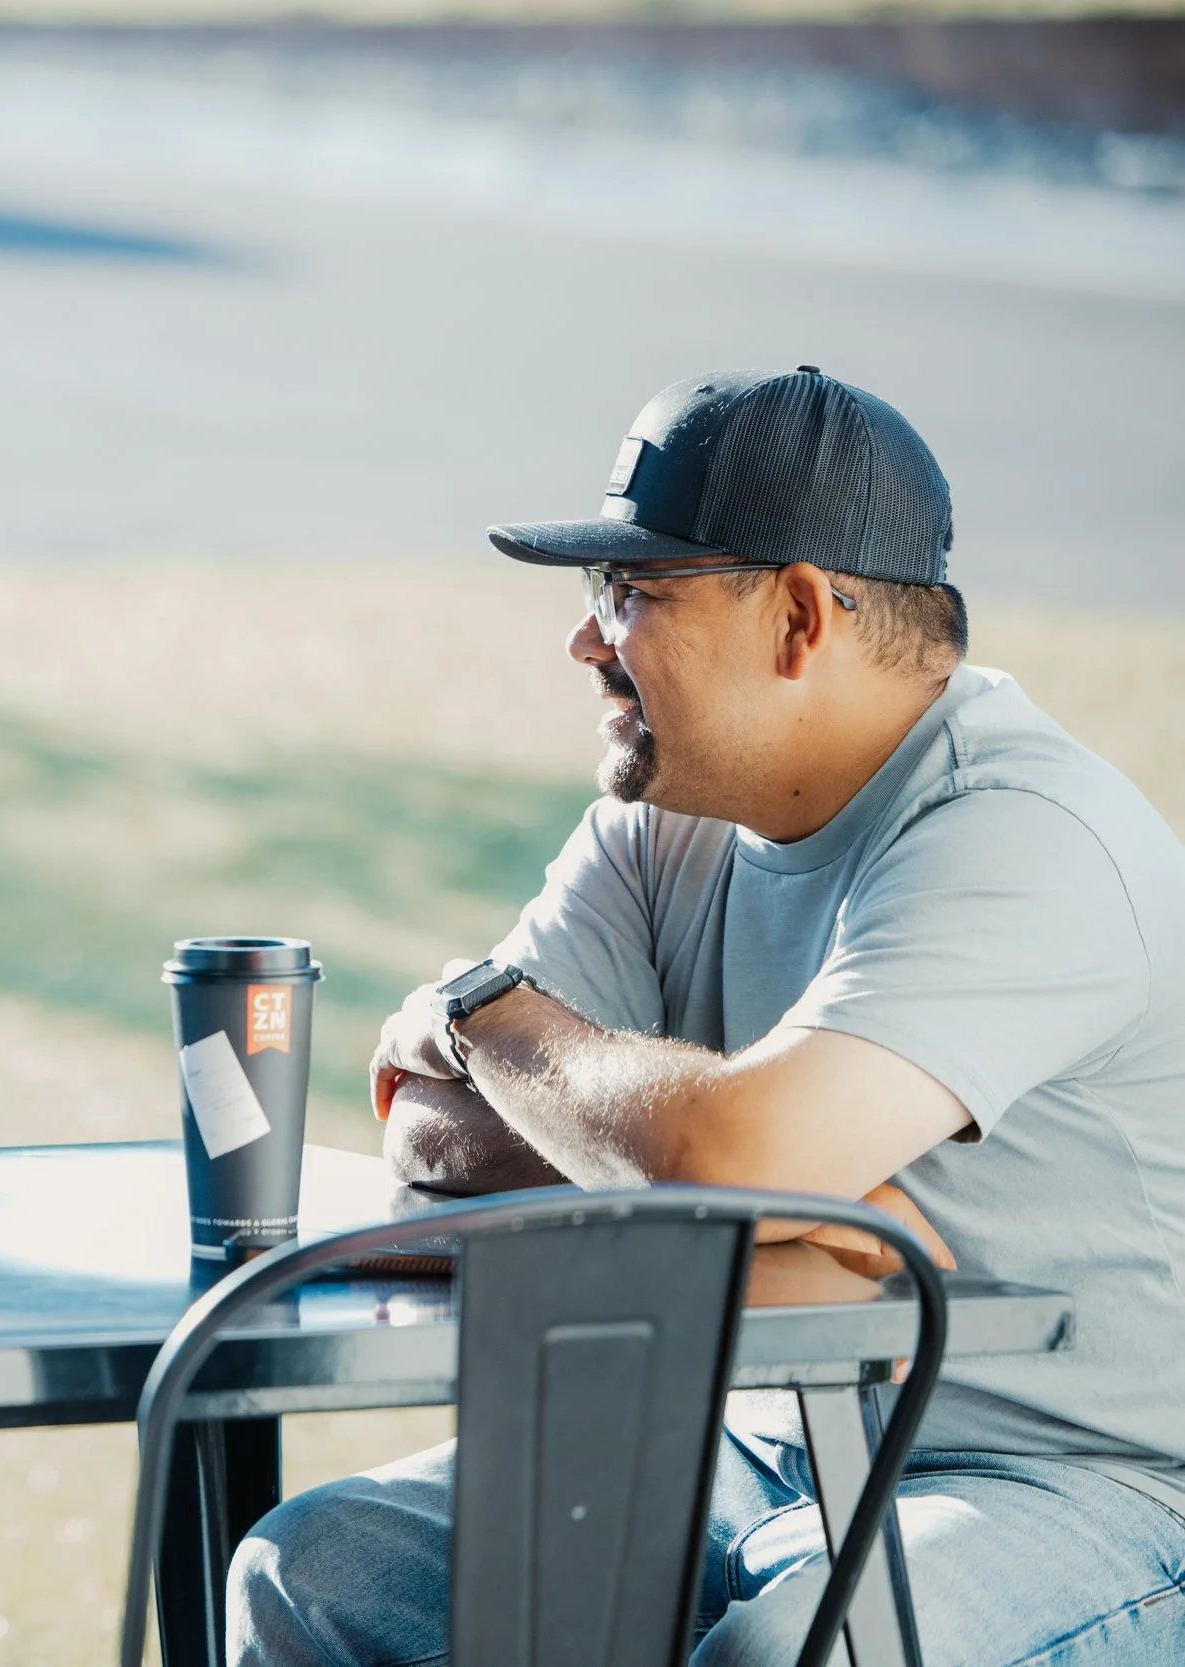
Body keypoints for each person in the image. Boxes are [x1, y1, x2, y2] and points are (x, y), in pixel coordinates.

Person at [230, 367, 1185, 1666]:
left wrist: (485, 1012)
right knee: (316, 1570)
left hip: (1073, 1489)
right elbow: (428, 1131)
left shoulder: (1027, 837)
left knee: (779, 1652)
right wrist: (755, 1187)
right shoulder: (656, 823)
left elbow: (725, 1152)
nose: (586, 639)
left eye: (635, 593)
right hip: (752, 1432)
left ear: (797, 616)